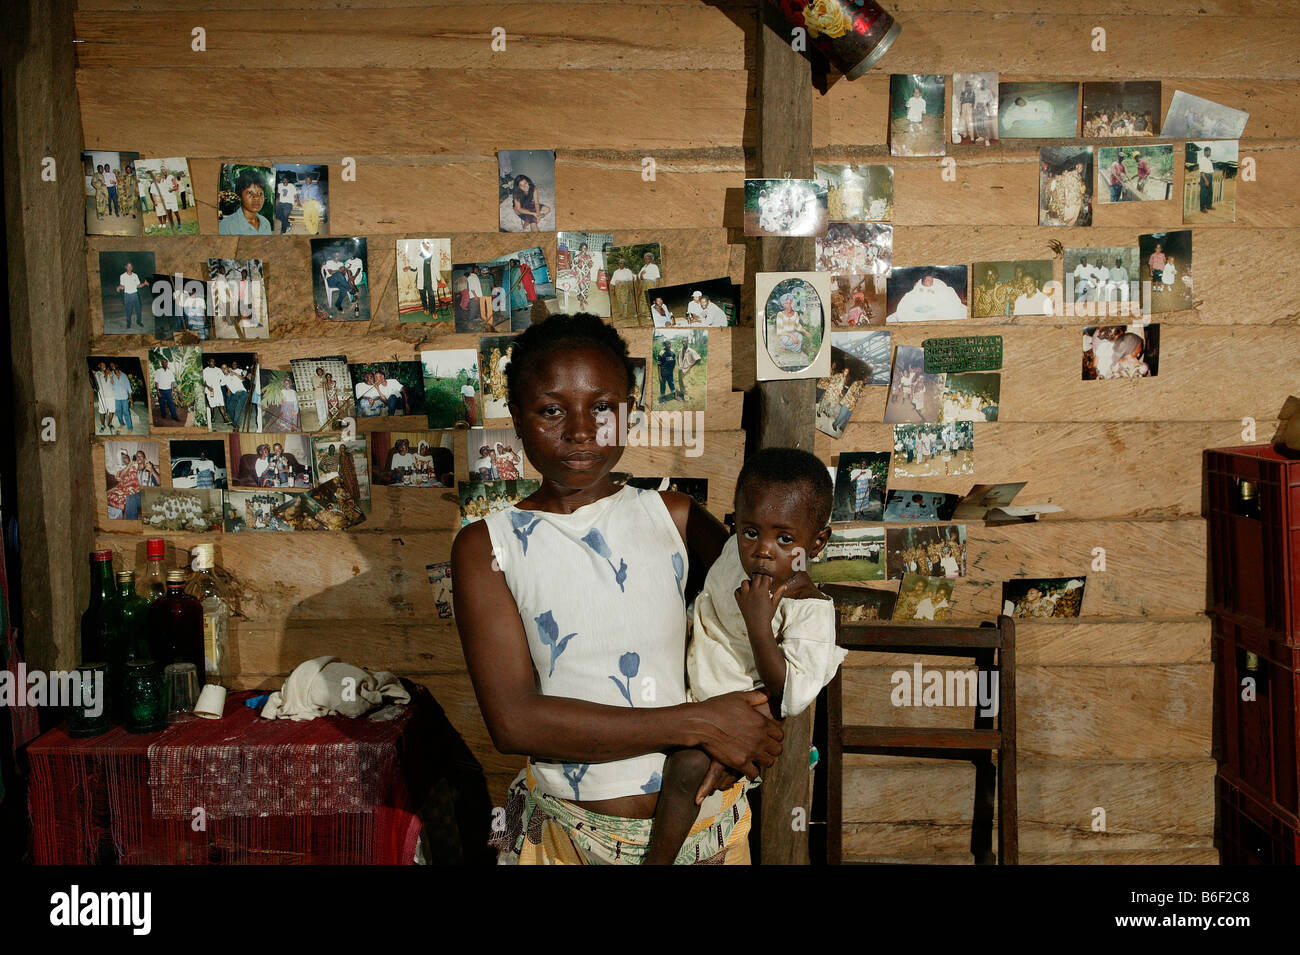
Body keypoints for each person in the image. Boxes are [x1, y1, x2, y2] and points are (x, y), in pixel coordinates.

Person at [455, 313, 782, 865]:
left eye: (602, 407)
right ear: (516, 417)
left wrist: (749, 729)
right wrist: (701, 723)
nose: (580, 431)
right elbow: (514, 721)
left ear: (629, 412)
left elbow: (774, 623)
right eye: (552, 410)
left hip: (708, 837)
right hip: (567, 841)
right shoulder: (489, 546)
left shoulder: (674, 518)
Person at [642, 448, 844, 864]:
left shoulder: (810, 610)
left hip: (733, 721)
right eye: (751, 532)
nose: (763, 550)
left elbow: (789, 694)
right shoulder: (733, 552)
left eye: (785, 539)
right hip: (684, 691)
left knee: (685, 769)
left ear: (817, 542)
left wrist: (758, 624)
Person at [889, 272, 966, 322]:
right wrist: (921, 293)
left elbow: (942, 292)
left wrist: (933, 293)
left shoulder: (937, 285)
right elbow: (914, 294)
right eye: (928, 281)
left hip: (935, 303)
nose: (931, 282)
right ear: (924, 281)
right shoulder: (919, 286)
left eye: (932, 281)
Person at [219, 168, 272, 235]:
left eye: (260, 194)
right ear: (239, 195)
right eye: (250, 192)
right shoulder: (227, 226)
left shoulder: (265, 224)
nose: (256, 197)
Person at [106, 451, 141, 519]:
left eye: (127, 455)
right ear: (121, 460)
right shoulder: (120, 469)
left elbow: (143, 466)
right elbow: (121, 475)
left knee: (127, 500)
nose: (127, 457)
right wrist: (131, 463)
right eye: (124, 457)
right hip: (122, 489)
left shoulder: (135, 465)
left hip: (133, 489)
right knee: (109, 495)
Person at [117, 261, 145, 330]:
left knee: (138, 310)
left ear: (132, 268)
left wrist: (144, 284)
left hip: (135, 295)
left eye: (131, 266)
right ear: (125, 267)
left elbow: (138, 286)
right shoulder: (122, 276)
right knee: (128, 311)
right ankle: (128, 323)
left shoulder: (135, 275)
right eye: (128, 266)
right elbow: (122, 286)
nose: (129, 268)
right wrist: (119, 287)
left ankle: (139, 322)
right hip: (127, 296)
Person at [108, 361, 134, 432]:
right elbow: (112, 385)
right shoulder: (111, 375)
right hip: (117, 397)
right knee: (118, 412)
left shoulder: (124, 375)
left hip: (124, 397)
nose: (112, 366)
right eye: (111, 365)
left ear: (116, 365)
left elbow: (128, 387)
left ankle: (130, 428)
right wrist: (111, 378)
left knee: (126, 412)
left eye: (113, 364)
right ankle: (122, 423)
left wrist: (131, 397)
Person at [636, 252, 661, 320]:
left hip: (651, 283)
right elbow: (639, 277)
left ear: (651, 259)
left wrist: (657, 287)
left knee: (649, 298)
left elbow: (657, 278)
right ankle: (643, 313)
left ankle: (649, 314)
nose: (646, 260)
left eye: (648, 258)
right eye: (645, 258)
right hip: (644, 283)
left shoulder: (654, 266)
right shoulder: (643, 267)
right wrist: (641, 274)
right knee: (643, 298)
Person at [1197, 146, 1215, 213]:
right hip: (1205, 176)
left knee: (1210, 192)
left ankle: (1209, 206)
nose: (1210, 153)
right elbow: (1202, 172)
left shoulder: (1209, 160)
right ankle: (1202, 208)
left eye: (1210, 151)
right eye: (1209, 151)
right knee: (1204, 193)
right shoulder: (1202, 160)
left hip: (1209, 176)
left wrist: (1210, 178)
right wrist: (1206, 180)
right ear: (1205, 152)